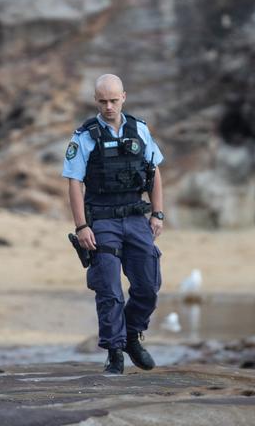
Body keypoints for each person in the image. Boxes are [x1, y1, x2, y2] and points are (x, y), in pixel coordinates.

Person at [63, 73, 165, 375]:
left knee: (148, 285)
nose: (109, 106)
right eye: (103, 101)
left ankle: (132, 336)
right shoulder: (84, 136)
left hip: (135, 218)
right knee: (109, 289)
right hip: (102, 220)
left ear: (124, 97)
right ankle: (114, 352)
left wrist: (157, 213)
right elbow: (74, 183)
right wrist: (82, 227)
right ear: (96, 101)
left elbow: (154, 171)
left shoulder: (140, 130)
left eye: (113, 100)